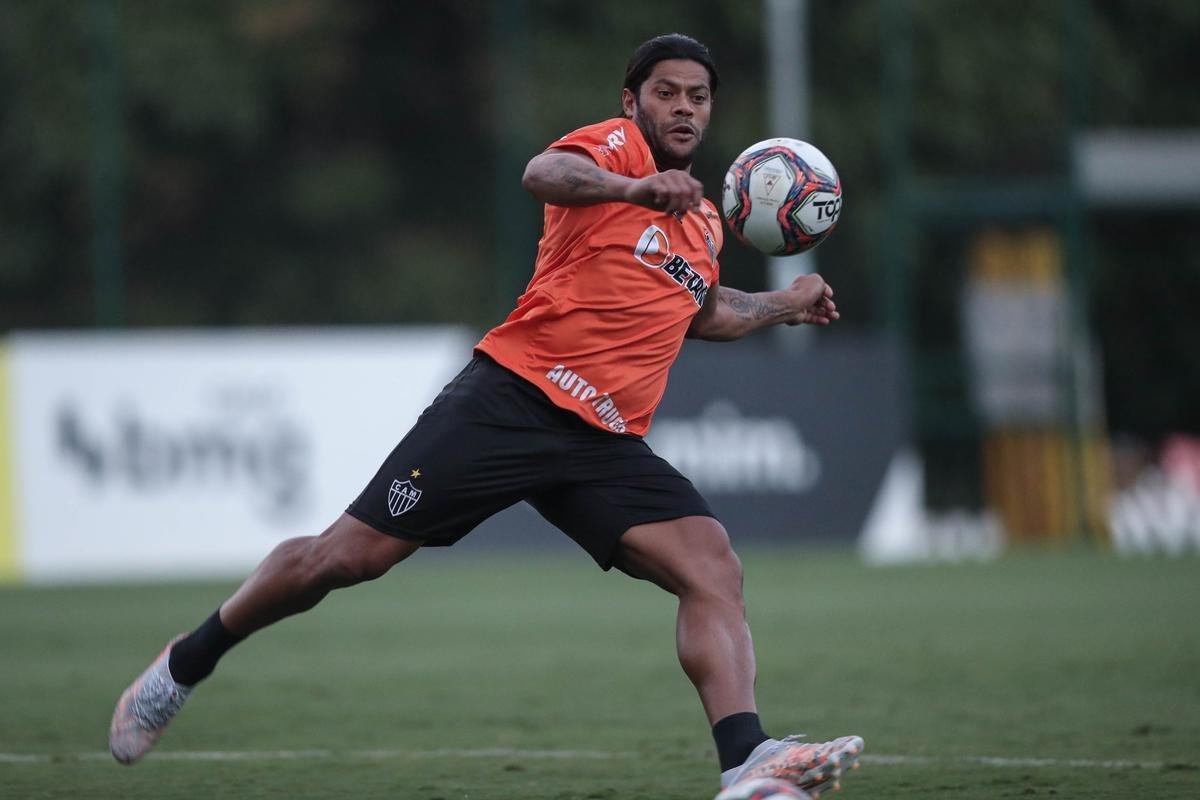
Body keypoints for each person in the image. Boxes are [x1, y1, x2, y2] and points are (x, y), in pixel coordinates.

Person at [109, 33, 863, 796]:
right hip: (511, 400)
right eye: (666, 92)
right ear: (632, 102)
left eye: (697, 97)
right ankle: (186, 662)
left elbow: (701, 312)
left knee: (713, 566)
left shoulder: (703, 224)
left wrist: (783, 306)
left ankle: (745, 763)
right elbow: (546, 172)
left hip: (602, 440)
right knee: (345, 559)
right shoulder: (615, 154)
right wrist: (632, 189)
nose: (682, 108)